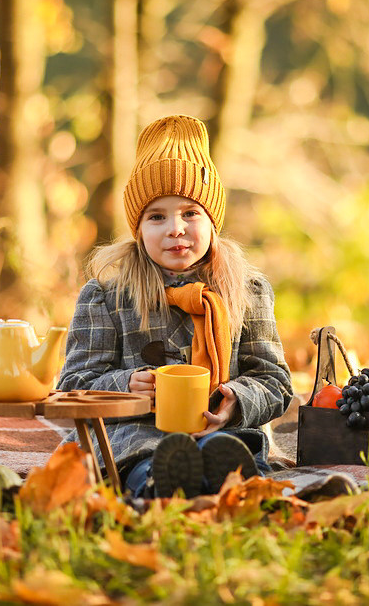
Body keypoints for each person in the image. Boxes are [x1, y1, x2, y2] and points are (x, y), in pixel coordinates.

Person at [57, 114, 293, 499]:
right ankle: (158, 483)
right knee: (145, 456)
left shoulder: (247, 290)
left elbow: (275, 381)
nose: (175, 229)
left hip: (221, 429)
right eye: (156, 217)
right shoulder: (108, 296)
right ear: (138, 230)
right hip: (135, 432)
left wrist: (237, 400)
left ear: (212, 220)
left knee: (229, 453)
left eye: (189, 213)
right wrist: (124, 386)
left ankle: (228, 478)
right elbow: (72, 387)